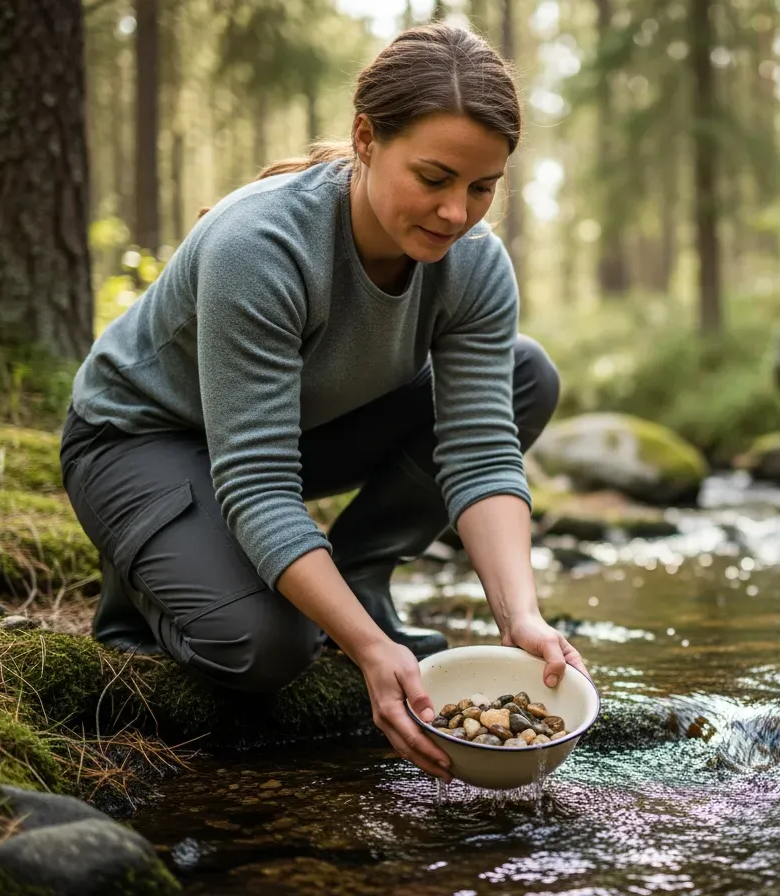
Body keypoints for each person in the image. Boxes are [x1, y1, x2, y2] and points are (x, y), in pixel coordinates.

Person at [58, 23, 587, 784]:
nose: (456, 214)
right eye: (434, 178)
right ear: (366, 138)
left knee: (523, 373)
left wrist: (520, 619)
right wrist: (374, 657)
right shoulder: (262, 246)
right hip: (138, 441)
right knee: (269, 649)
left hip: (290, 431)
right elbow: (258, 481)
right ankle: (138, 593)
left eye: (482, 187)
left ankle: (360, 583)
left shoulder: (473, 264)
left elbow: (479, 453)